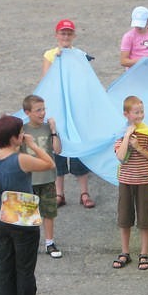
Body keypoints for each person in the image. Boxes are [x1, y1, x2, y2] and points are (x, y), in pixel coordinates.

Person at [0, 115, 55, 295]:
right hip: (22, 218)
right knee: (24, 269)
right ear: (15, 138)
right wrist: (32, 145)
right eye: (21, 133)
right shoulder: (20, 159)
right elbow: (48, 163)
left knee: (6, 266)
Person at [42, 19, 95, 209]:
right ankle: (59, 193)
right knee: (58, 149)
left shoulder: (79, 55)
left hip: (76, 109)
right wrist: (58, 58)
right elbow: (47, 81)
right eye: (62, 33)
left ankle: (84, 192)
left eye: (68, 33)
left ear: (73, 36)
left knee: (79, 149)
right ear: (56, 35)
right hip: (58, 110)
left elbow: (86, 81)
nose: (65, 36)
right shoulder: (50, 55)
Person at [113, 96, 148, 269]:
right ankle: (125, 252)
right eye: (136, 112)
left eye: (142, 112)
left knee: (145, 218)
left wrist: (139, 147)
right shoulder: (121, 133)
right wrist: (126, 137)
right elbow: (120, 157)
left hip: (146, 181)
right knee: (124, 217)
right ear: (126, 114)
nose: (140, 115)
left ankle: (144, 252)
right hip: (126, 181)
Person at [21, 95, 63, 259]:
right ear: (27, 112)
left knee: (49, 212)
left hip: (47, 178)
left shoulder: (47, 128)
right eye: (38, 110)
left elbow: (58, 150)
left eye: (43, 109)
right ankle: (28, 243)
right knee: (28, 214)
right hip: (29, 180)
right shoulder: (23, 131)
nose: (42, 113)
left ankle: (49, 242)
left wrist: (53, 131)